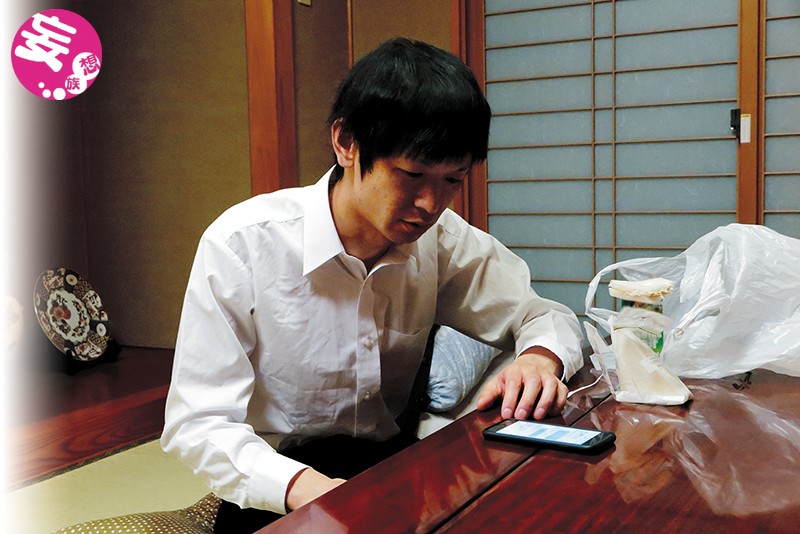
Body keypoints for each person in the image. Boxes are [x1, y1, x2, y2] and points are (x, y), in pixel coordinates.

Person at [161, 37, 584, 532]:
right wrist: (316, 492)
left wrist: (539, 359)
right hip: (279, 487)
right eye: (412, 174)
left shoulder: (442, 241)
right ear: (346, 143)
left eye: (453, 180)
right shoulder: (243, 245)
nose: (430, 204)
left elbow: (543, 314)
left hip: (395, 472)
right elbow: (199, 423)